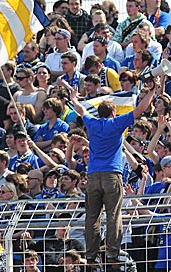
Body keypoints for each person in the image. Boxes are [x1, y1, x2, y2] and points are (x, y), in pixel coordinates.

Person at [68, 77, 155, 266]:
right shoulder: (116, 124)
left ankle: (90, 256)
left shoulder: (92, 123)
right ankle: (112, 254)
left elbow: (81, 110)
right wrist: (152, 91)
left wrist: (74, 98)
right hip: (112, 175)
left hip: (92, 176)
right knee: (113, 215)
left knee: (92, 217)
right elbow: (140, 110)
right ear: (113, 112)